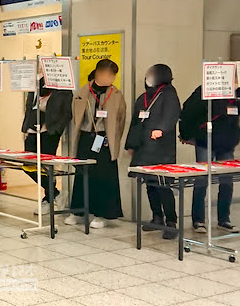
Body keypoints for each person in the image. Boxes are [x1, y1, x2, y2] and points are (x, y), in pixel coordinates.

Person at [66, 60, 127, 229]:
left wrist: (113, 139)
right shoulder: (82, 92)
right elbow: (75, 115)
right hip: (86, 137)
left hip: (104, 139)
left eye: (114, 75)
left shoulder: (116, 94)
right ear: (100, 73)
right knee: (82, 174)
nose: (112, 78)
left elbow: (121, 119)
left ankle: (102, 214)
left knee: (104, 177)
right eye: (110, 75)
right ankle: (78, 211)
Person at [180, 83, 240, 233]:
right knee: (202, 180)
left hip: (227, 143)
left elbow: (236, 114)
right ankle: (198, 220)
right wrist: (186, 134)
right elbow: (189, 110)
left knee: (227, 181)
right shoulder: (207, 88)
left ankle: (224, 219)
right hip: (205, 140)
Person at [125, 64, 181, 239]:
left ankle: (171, 221)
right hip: (144, 146)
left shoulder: (169, 95)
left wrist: (162, 129)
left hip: (161, 148)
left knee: (163, 184)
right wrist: (131, 144)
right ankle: (157, 217)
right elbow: (134, 122)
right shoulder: (142, 98)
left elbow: (172, 115)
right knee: (149, 183)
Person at [21, 69, 73, 215]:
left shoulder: (63, 88)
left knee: (46, 167)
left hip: (49, 132)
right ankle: (56, 193)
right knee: (28, 166)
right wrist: (25, 128)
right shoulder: (35, 84)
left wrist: (56, 129)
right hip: (32, 130)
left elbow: (67, 113)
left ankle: (48, 199)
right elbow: (28, 107)